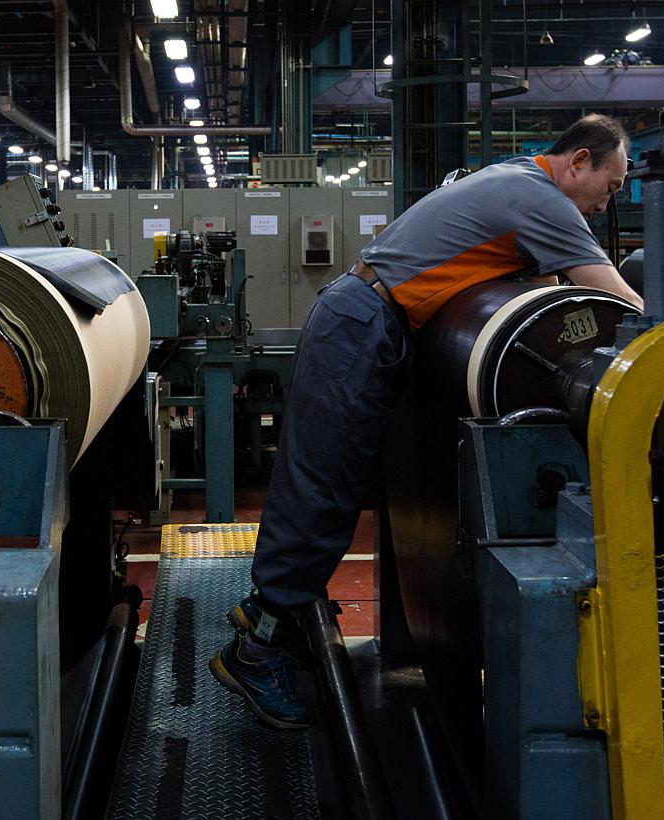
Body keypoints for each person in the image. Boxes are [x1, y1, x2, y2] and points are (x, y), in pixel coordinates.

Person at [209, 114, 642, 729]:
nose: (609, 200)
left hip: (366, 318)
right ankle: (256, 649)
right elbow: (613, 298)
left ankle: (272, 614)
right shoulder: (542, 198)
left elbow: (531, 282)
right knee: (323, 486)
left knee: (333, 483)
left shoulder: (515, 179)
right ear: (578, 161)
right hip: (363, 324)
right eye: (612, 182)